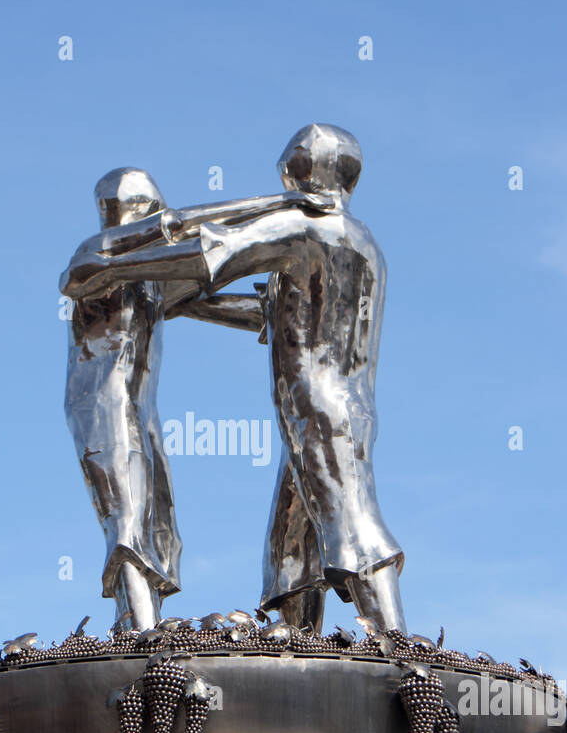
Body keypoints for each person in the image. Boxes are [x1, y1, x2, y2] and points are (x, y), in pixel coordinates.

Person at [61, 125, 405, 634]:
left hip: (316, 405)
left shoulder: (304, 226)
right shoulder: (361, 241)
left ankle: (396, 642)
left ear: (305, 171)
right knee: (293, 542)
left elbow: (214, 253)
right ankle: (302, 641)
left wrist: (118, 267)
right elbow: (268, 312)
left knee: (349, 517)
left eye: (290, 165)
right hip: (338, 406)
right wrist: (188, 301)